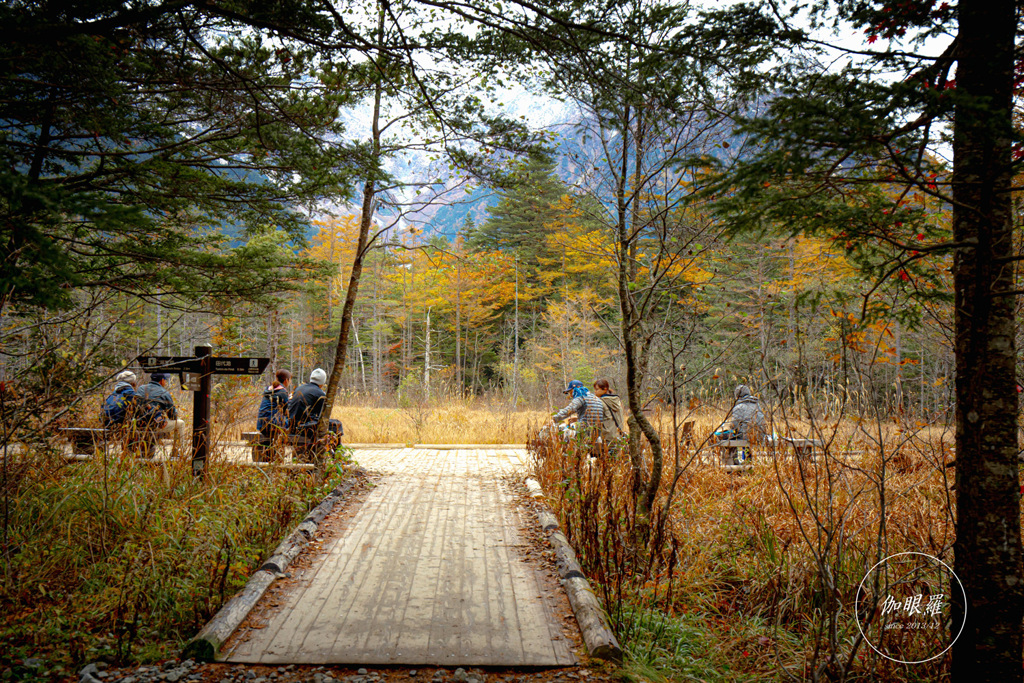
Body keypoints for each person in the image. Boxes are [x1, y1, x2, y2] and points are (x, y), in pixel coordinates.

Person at [134, 372, 189, 455]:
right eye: (165, 380)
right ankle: (177, 451)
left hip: (139, 423)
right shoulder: (164, 393)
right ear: (161, 381)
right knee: (180, 423)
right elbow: (173, 416)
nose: (165, 382)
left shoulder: (141, 389)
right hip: (155, 424)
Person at [593, 379, 626, 451]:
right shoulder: (617, 400)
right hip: (618, 435)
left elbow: (596, 420)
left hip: (607, 437)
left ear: (605, 389)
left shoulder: (600, 402)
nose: (595, 392)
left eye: (597, 389)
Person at [257, 369, 291, 436]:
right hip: (272, 426)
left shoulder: (268, 389)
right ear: (286, 380)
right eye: (290, 380)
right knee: (293, 422)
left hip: (261, 425)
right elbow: (288, 410)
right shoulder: (282, 391)